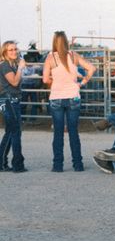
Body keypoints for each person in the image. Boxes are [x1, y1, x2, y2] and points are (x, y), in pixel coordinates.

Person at [42, 31, 96, 171]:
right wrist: (82, 82)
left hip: (56, 97)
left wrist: (55, 79)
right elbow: (92, 68)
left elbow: (45, 79)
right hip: (73, 96)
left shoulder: (50, 58)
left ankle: (57, 165)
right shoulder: (73, 56)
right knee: (73, 131)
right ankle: (78, 164)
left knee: (58, 132)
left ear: (54, 41)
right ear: (66, 42)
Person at [0, 41, 27, 172]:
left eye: (15, 49)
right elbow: (15, 82)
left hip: (12, 100)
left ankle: (2, 163)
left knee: (11, 132)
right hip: (9, 100)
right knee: (15, 132)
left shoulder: (12, 65)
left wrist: (19, 68)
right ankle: (17, 164)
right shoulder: (5, 65)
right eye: (10, 50)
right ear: (5, 52)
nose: (14, 52)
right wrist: (21, 68)